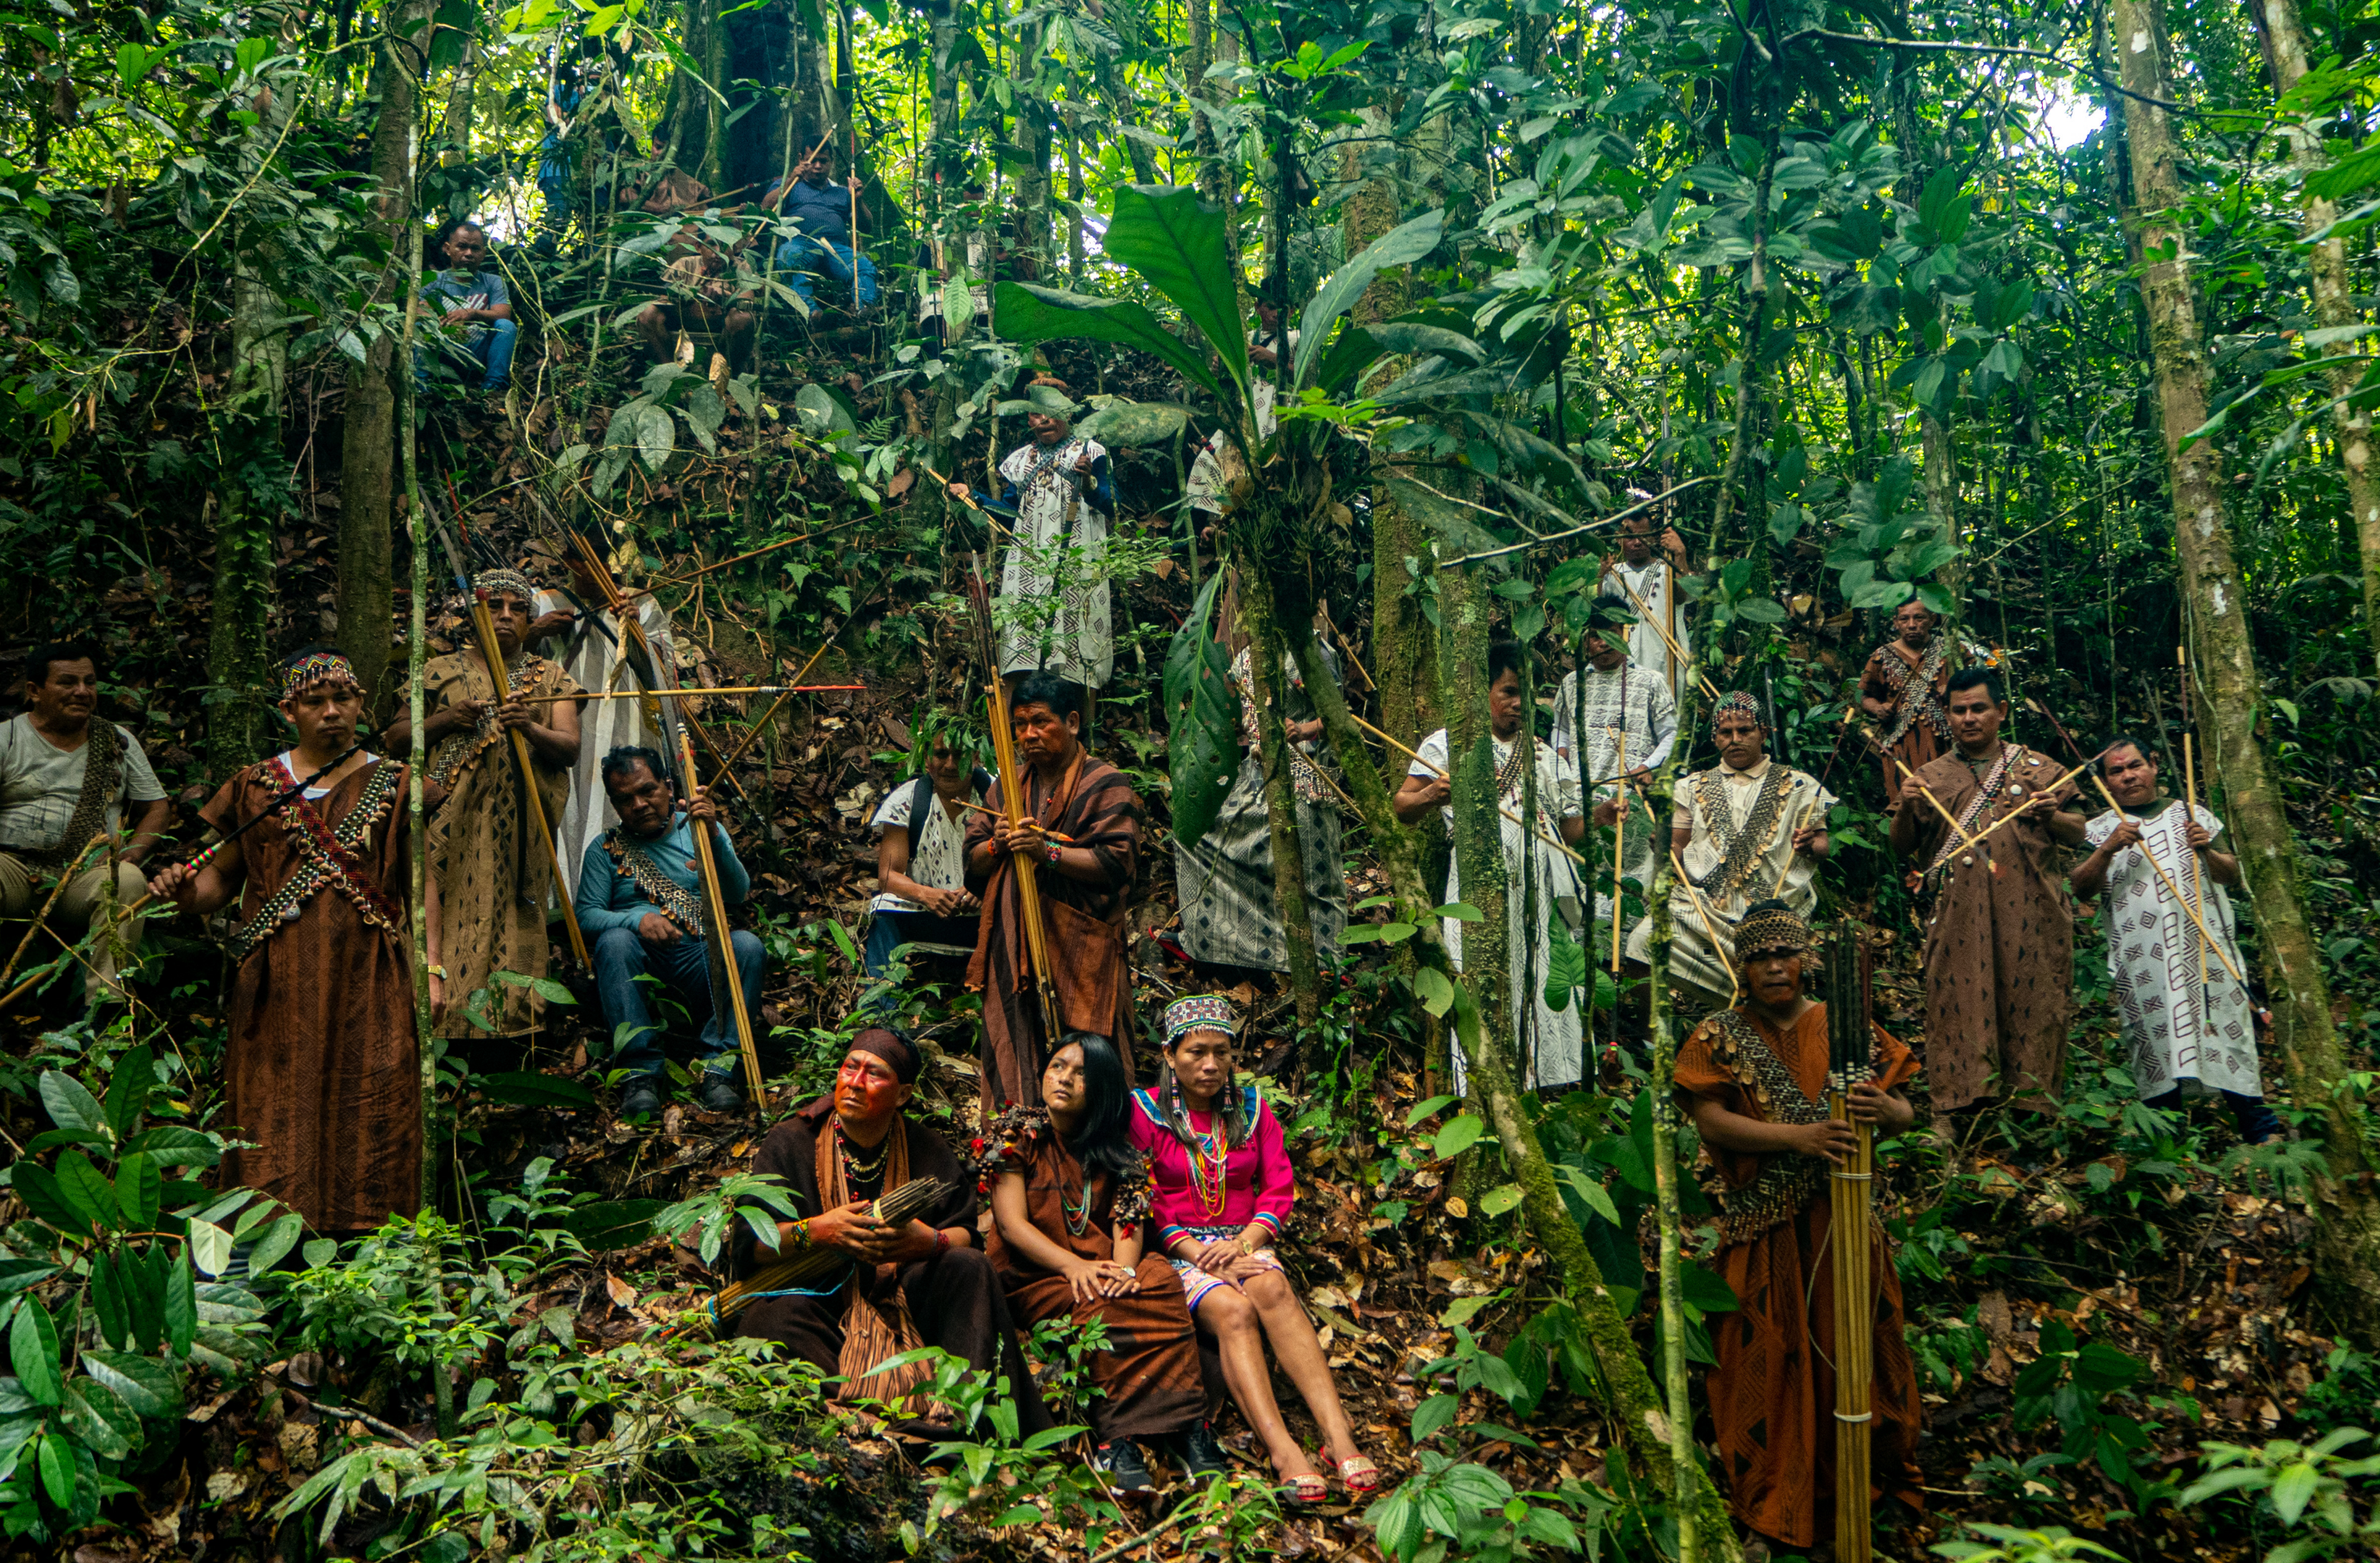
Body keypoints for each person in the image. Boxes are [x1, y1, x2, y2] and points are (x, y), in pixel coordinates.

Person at [147, 649, 436, 1234]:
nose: (332, 712)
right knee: (273, 1101)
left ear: (361, 705)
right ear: (289, 711)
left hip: (370, 972)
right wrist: (181, 889)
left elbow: (420, 879)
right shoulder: (257, 787)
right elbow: (221, 880)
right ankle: (266, 1240)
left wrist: (432, 969)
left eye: (343, 700)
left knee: (374, 1093)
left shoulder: (398, 783)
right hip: (277, 976)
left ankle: (369, 1243)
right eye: (314, 702)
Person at [1673, 902, 1924, 1556]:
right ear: (1743, 967)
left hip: (1843, 1219)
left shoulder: (1845, 1025)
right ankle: (1773, 1503)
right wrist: (1799, 1137)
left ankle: (1858, 1493)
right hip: (1763, 1228)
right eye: (1759, 958)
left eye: (1784, 955)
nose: (1774, 968)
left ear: (1806, 961)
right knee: (1762, 1354)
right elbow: (1711, 1120)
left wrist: (1887, 1110)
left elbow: (1903, 1113)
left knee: (1854, 1349)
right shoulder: (1720, 1033)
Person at [733, 1029, 1050, 1438]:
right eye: (851, 1067)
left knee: (968, 1269)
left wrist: (928, 1242)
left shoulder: (927, 1148)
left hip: (908, 1300)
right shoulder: (792, 1142)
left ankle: (954, 1417)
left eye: (874, 1073)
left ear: (902, 1095)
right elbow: (750, 1245)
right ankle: (860, 1417)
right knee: (773, 1319)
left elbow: (968, 1235)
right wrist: (818, 1231)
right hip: (823, 1304)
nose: (855, 1082)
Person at [1130, 996, 1377, 1503]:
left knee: (1274, 1287)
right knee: (1235, 1311)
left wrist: (1242, 1244)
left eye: (1222, 1053)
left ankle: (1338, 1436)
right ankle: (1283, 1449)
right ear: (1170, 1054)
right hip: (1180, 1251)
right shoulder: (1144, 1111)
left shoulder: (1251, 1108)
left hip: (1245, 1240)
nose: (1211, 1065)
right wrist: (1198, 1252)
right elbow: (1141, 1195)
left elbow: (1277, 1189)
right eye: (1197, 1052)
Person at [978, 1031, 1222, 1495]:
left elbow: (1127, 1223)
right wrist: (1074, 1268)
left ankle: (1190, 1428)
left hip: (1104, 1267)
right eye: (1057, 1066)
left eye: (1082, 1074)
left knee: (1161, 1282)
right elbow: (1011, 1226)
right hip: (1039, 1275)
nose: (1064, 1079)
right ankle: (1118, 1438)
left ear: (1104, 1088)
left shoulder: (1121, 1149)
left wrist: (1125, 1272)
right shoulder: (1017, 1133)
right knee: (1099, 1309)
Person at [386, 569, 585, 1044]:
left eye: (518, 610)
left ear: (529, 621)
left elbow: (570, 748)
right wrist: (447, 719)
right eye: (494, 606)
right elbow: (395, 739)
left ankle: (510, 1037)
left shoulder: (551, 676)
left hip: (520, 826)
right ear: (474, 614)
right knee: (442, 907)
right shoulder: (436, 671)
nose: (505, 617)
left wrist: (530, 728)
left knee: (512, 913)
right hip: (445, 823)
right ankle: (431, 1026)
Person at [1891, 666, 2086, 1116]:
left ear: (2000, 711)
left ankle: (2030, 1108)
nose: (1969, 719)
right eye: (1958, 711)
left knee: (2034, 999)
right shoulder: (1930, 776)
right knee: (1956, 999)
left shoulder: (2041, 770)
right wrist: (1907, 807)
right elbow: (1901, 846)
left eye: (1979, 708)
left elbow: (2077, 833)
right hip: (1960, 913)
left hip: (2034, 912)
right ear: (1947, 716)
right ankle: (1956, 1105)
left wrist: (2050, 814)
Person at [1394, 642, 1588, 1090]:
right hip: (1479, 882)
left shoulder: (1539, 752)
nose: (1518, 703)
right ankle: (1484, 1085)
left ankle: (1548, 1081)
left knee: (1540, 971)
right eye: (1508, 691)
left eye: (1525, 693)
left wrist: (1602, 816)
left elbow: (1567, 830)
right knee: (1481, 974)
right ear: (1482, 692)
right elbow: (1401, 806)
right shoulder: (1445, 744)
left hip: (1539, 884)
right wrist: (1431, 796)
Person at [2071, 737, 2278, 1142]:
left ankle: (2260, 1130)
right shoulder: (2099, 828)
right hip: (2141, 958)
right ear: (2107, 782)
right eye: (2116, 771)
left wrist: (2208, 852)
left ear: (2153, 765)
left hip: (2206, 947)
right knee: (2151, 1033)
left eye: (2135, 765)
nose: (2128, 776)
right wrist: (2109, 848)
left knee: (2224, 1026)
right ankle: (2165, 1145)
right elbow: (2079, 888)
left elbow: (2231, 874)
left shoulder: (2191, 814)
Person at [964, 674, 1141, 1117]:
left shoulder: (1106, 783)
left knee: (1091, 1051)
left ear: (1074, 722)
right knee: (1016, 1039)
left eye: (1041, 723)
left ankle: (1101, 1143)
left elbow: (1119, 864)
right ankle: (1016, 1140)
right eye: (1020, 725)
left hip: (1084, 948)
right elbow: (971, 866)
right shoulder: (1005, 788)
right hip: (1014, 943)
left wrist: (1048, 852)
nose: (1029, 736)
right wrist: (996, 844)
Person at [575, 745, 758, 1119]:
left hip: (700, 960)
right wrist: (635, 921)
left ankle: (720, 1067)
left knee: (747, 947)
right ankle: (640, 1075)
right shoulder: (604, 849)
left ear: (669, 786)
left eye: (648, 791)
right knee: (614, 941)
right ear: (614, 804)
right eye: (626, 799)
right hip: (640, 963)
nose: (639, 804)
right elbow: (587, 916)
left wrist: (714, 837)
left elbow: (738, 893)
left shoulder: (701, 828)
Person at [1627, 690, 1833, 1012]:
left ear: (1763, 733)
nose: (1735, 739)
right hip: (1706, 911)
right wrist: (1666, 846)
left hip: (1772, 912)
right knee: (1644, 942)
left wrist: (1811, 843)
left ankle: (1774, 1028)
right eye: (1726, 732)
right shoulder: (1692, 786)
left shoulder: (1799, 785)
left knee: (1772, 979)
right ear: (1715, 738)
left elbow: (1822, 845)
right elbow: (1677, 848)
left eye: (1745, 731)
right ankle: (1653, 1043)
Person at [0, 640, 170, 1016]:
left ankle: (105, 1014)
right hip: (13, 870)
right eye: (67, 682)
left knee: (125, 880)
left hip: (86, 875)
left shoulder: (117, 740)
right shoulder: (7, 739)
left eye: (89, 682)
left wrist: (132, 854)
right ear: (34, 691)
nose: (82, 692)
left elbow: (156, 807)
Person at [1172, 621, 1345, 977]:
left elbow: (1338, 715)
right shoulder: (1247, 657)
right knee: (1196, 838)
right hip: (1253, 778)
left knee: (1312, 875)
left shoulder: (1312, 654)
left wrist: (1304, 729)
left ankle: (1328, 961)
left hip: (1306, 776)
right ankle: (1216, 942)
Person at [946, 379, 1115, 722]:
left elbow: (1110, 504)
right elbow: (1010, 514)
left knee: (1080, 641)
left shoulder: (1090, 451)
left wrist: (1088, 482)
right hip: (1028, 563)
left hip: (1078, 560)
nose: (1045, 420)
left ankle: (1082, 737)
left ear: (1066, 412)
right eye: (1037, 413)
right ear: (1028, 420)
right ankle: (1015, 738)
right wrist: (975, 498)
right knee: (1021, 641)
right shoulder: (1020, 461)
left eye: (1052, 412)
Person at [524, 551, 678, 901]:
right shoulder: (544, 602)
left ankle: (630, 898)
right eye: (584, 559)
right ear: (570, 561)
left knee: (621, 801)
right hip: (564, 725)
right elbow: (512, 662)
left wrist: (636, 631)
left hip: (627, 724)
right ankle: (562, 903)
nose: (598, 569)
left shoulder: (642, 603)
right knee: (566, 807)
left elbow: (663, 679)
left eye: (605, 559)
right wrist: (535, 633)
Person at [1552, 609, 1677, 941]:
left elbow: (1670, 734)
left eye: (1612, 634)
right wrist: (1561, 758)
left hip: (1630, 799)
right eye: (1596, 635)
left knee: (1629, 884)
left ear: (1626, 634)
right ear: (1585, 640)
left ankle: (1625, 965)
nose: (1603, 643)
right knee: (1581, 879)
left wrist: (1646, 766)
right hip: (1579, 799)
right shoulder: (1572, 683)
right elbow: (1561, 731)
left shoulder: (1650, 681)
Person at [863, 724, 988, 1008]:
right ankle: (880, 1014)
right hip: (927, 913)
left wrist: (984, 889)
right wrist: (926, 894)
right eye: (941, 754)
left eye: (961, 754)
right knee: (883, 910)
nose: (950, 764)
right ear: (926, 759)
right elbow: (887, 876)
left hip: (985, 917)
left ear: (978, 756)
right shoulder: (908, 800)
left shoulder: (1000, 797)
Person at [624, 171, 758, 367]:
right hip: (684, 322)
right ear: (698, 247)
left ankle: (728, 374)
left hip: (722, 326)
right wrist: (683, 296)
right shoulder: (684, 265)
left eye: (723, 245)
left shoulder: (741, 267)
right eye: (711, 245)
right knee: (647, 315)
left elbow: (748, 299)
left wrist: (726, 296)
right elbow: (663, 296)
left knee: (743, 319)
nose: (717, 252)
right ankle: (668, 369)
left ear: (734, 246)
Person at [1184, 301, 1298, 522]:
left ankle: (1243, 523)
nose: (1276, 314)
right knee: (1214, 460)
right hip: (1248, 408)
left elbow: (1307, 376)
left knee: (1265, 464)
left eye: (1283, 308)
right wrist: (1221, 368)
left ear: (1292, 311)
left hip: (1280, 409)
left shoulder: (1297, 337)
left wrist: (1273, 359)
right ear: (1258, 307)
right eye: (1270, 307)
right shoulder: (1247, 337)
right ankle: (1221, 522)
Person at [1859, 601, 1960, 809]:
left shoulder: (1950, 649)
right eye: (1904, 619)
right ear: (1896, 623)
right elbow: (1866, 697)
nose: (1912, 624)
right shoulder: (1882, 656)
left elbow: (1977, 686)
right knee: (1908, 803)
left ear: (1932, 620)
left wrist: (1954, 692)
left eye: (1919, 618)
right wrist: (1878, 709)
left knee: (1951, 802)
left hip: (1947, 741)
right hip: (1901, 745)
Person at [1599, 510, 1695, 704]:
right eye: (1630, 536)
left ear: (1653, 537)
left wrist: (1680, 555)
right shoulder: (1614, 573)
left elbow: (1682, 596)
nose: (1637, 542)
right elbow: (1601, 612)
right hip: (1626, 657)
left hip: (1666, 654)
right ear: (1619, 539)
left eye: (1644, 536)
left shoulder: (1667, 568)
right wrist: (1601, 575)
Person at [764, 147, 877, 311]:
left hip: (836, 248)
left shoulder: (842, 192)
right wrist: (790, 179)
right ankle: (812, 314)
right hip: (800, 242)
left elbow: (866, 227)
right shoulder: (791, 185)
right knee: (787, 258)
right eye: (812, 161)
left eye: (823, 161)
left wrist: (858, 200)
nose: (818, 166)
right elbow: (766, 208)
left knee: (864, 266)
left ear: (831, 162)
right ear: (801, 159)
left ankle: (863, 310)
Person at [419, 219, 516, 394]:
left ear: (484, 253)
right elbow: (420, 312)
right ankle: (421, 389)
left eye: (475, 248)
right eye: (462, 246)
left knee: (506, 327)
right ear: (448, 249)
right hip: (444, 354)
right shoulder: (434, 280)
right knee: (418, 326)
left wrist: (471, 313)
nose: (469, 253)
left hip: (479, 355)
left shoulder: (493, 282)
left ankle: (493, 388)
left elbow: (504, 314)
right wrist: (443, 326)